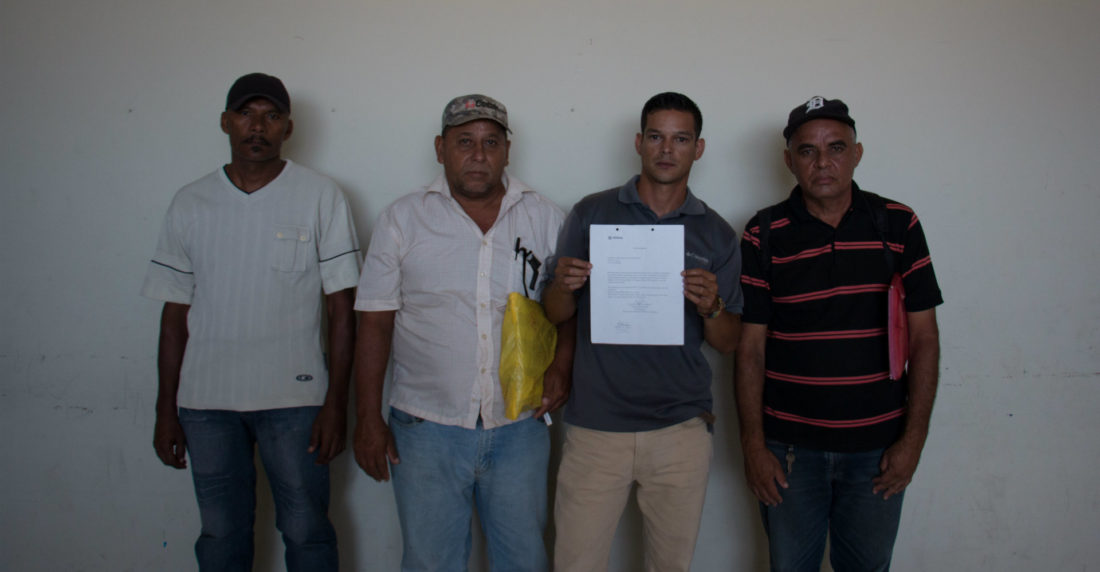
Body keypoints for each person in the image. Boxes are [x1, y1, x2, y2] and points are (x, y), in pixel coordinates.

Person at [142, 73, 360, 571]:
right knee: (221, 535)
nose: (257, 126)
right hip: (206, 404)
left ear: (288, 127)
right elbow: (173, 315)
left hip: (296, 403)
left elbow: (342, 309)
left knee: (307, 532)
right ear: (225, 122)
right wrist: (165, 409)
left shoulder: (319, 195)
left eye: (271, 116)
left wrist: (336, 404)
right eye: (246, 114)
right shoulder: (191, 202)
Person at [352, 94, 572, 572]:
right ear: (440, 148)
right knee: (431, 563)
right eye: (464, 142)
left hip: (519, 425)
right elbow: (374, 322)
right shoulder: (402, 220)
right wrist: (367, 417)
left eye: (491, 142)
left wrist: (562, 368)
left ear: (507, 150)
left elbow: (569, 309)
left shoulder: (545, 217)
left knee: (524, 561)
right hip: (425, 426)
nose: (478, 155)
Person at [735, 96, 943, 571]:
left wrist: (912, 441)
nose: (822, 162)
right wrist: (753, 446)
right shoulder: (763, 233)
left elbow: (925, 340)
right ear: (788, 160)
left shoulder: (898, 224)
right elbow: (750, 350)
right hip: (789, 453)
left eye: (836, 147)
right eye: (807, 150)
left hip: (878, 451)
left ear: (857, 153)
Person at [545, 92, 743, 572]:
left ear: (698, 148)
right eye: (656, 137)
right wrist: (562, 286)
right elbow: (554, 314)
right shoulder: (591, 213)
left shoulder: (716, 233)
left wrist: (712, 305)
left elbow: (728, 342)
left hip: (679, 430)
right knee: (575, 565)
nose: (666, 149)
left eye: (681, 139)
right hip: (596, 427)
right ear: (638, 142)